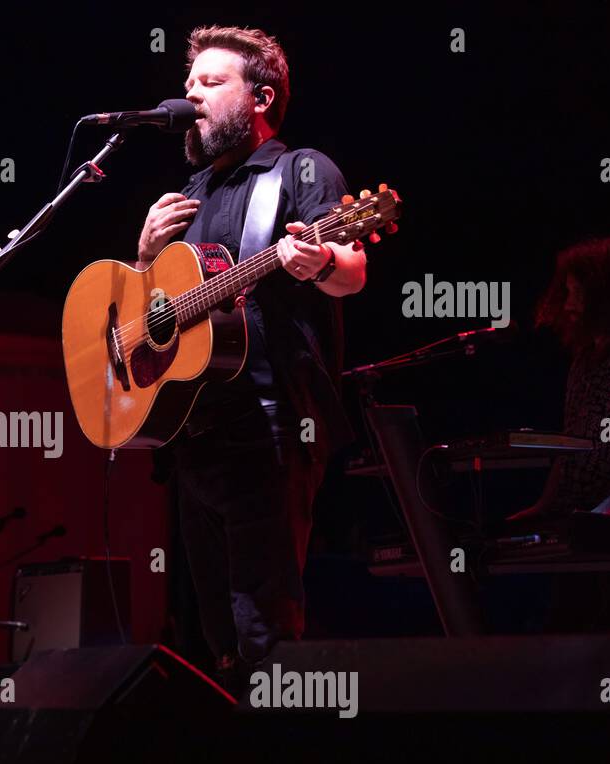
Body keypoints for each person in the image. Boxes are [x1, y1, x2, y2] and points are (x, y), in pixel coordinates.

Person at [139, 25, 366, 688]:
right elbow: (145, 316)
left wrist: (320, 257)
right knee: (214, 642)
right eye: (189, 85)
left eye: (210, 84)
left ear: (260, 97)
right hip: (194, 435)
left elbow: (352, 269)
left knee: (264, 630)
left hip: (267, 428)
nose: (190, 98)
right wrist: (145, 255)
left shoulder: (301, 171)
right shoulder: (192, 194)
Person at [509, 238, 610, 631]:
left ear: (609, 298)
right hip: (581, 526)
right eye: (568, 293)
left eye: (578, 294)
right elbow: (570, 444)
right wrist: (544, 506)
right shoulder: (583, 363)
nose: (569, 304)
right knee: (568, 639)